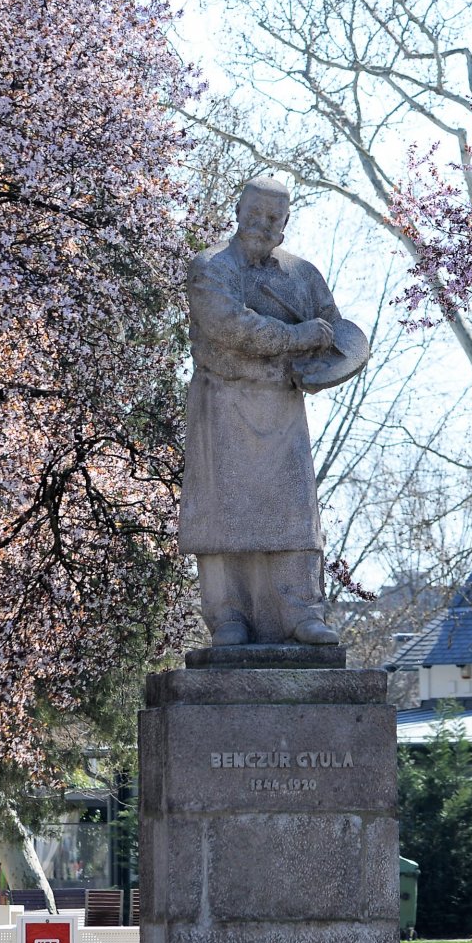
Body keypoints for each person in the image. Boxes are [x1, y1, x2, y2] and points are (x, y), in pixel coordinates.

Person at [178, 177, 359, 646]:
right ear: (238, 211)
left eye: (273, 217)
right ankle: (228, 615)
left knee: (292, 511)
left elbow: (336, 334)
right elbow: (230, 326)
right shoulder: (211, 267)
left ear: (285, 222)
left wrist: (326, 363)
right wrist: (298, 338)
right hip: (224, 405)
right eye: (255, 213)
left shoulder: (303, 275)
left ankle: (302, 611)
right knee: (225, 514)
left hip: (282, 407)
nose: (262, 224)